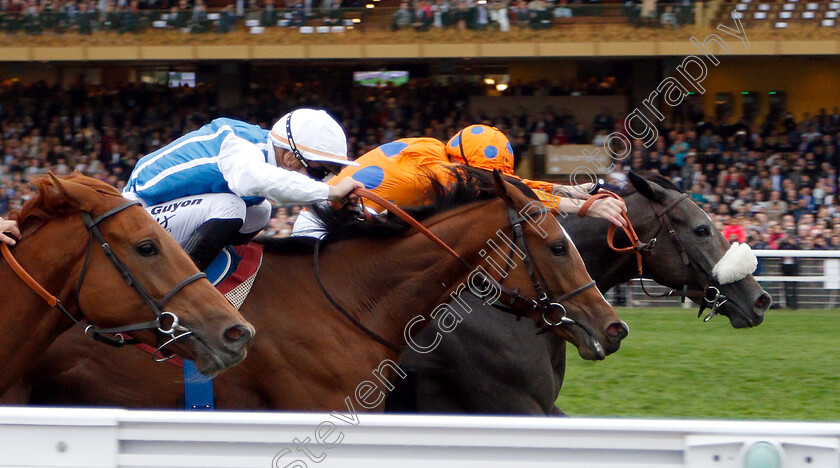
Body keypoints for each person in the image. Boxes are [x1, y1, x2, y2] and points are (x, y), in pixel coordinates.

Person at [123, 108, 363, 270]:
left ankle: (222, 271)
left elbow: (290, 188)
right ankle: (181, 287)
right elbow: (260, 181)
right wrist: (332, 192)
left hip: (164, 213)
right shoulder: (241, 146)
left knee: (260, 211)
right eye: (321, 172)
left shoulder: (261, 152)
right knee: (232, 207)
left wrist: (339, 206)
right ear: (290, 158)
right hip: (136, 214)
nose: (324, 180)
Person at [293, 124, 626, 237]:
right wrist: (583, 209)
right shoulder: (440, 169)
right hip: (323, 223)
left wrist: (563, 189)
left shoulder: (443, 156)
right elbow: (506, 196)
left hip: (347, 217)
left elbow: (507, 185)